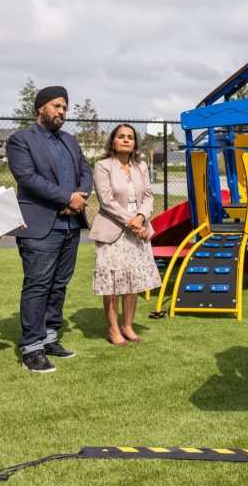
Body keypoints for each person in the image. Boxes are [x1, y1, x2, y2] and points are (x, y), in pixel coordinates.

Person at [7, 85, 92, 373]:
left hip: (71, 224)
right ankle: (31, 347)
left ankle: (50, 337)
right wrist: (67, 198)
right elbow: (28, 178)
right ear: (40, 107)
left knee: (59, 284)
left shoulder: (70, 139)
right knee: (38, 284)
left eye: (65, 107)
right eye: (56, 106)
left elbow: (85, 171)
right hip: (41, 224)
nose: (62, 112)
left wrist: (79, 197)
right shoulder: (20, 140)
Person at [89, 124, 162, 346]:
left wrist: (141, 217)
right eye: (121, 136)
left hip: (138, 230)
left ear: (135, 144)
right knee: (113, 281)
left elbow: (148, 196)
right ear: (113, 141)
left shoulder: (141, 166)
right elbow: (106, 200)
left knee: (132, 280)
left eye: (130, 137)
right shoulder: (102, 166)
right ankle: (113, 329)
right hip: (113, 230)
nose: (126, 140)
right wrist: (132, 222)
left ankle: (128, 326)